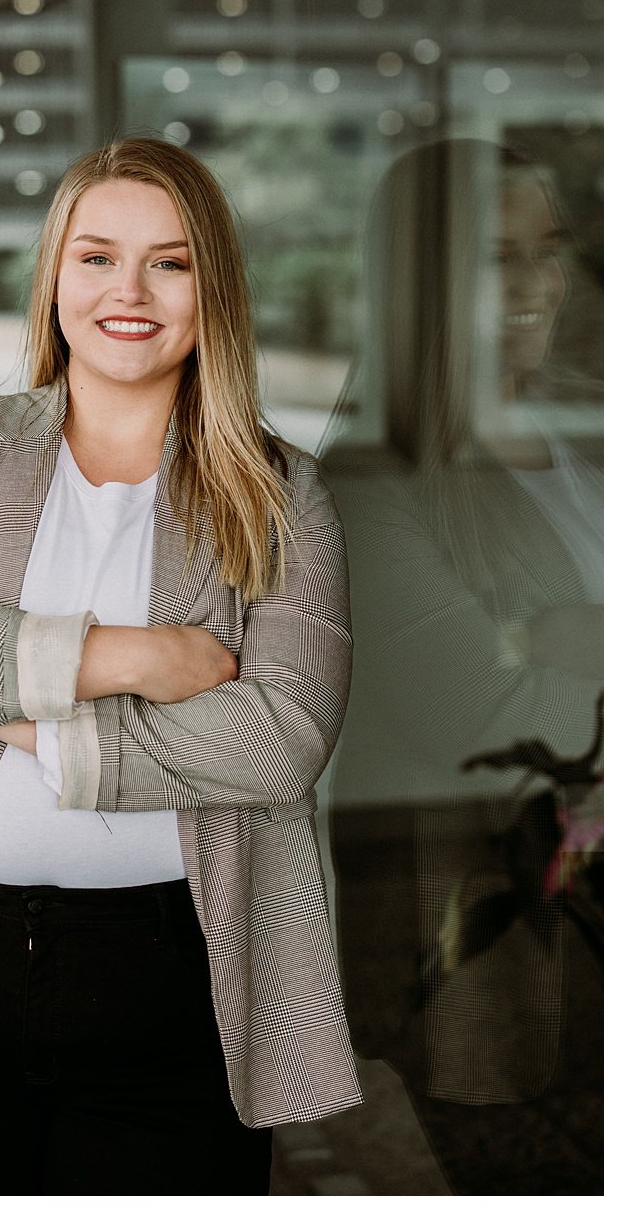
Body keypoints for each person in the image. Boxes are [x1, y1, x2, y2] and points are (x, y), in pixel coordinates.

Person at [0, 137, 362, 1196]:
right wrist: (135, 657)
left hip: (179, 976)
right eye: (94, 257)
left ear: (210, 287)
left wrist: (6, 707)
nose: (125, 292)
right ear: (53, 276)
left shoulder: (281, 493)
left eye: (168, 262)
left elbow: (279, 741)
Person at [323, 138, 603, 1195]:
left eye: (548, 250)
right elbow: (483, 720)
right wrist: (566, 646)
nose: (536, 284)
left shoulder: (587, 421)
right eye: (495, 258)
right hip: (500, 942)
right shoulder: (371, 476)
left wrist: (567, 639)